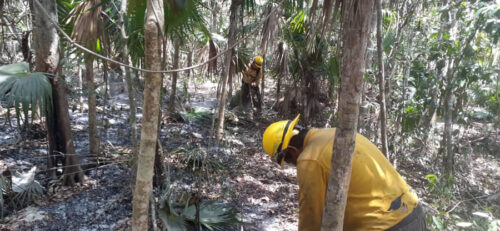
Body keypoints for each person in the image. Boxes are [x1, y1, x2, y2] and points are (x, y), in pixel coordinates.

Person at [262, 115, 427, 231]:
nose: (293, 165)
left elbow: (311, 218)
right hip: (413, 213)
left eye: (289, 160)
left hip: (385, 226)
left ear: (291, 150)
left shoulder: (309, 159)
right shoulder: (334, 133)